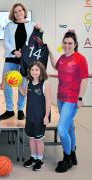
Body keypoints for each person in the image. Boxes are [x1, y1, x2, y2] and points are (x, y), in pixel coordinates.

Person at [49, 30, 88, 173]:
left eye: (70, 43)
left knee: (62, 129)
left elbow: (84, 79)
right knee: (70, 127)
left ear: (75, 44)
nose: (67, 45)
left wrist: (80, 98)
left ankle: (67, 159)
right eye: (65, 43)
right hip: (61, 98)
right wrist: (50, 52)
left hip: (72, 99)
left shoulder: (80, 59)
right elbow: (55, 66)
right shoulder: (62, 58)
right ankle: (73, 153)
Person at [1, 3, 42, 120]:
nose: (18, 13)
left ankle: (20, 109)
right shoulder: (9, 26)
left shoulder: (32, 25)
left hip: (26, 59)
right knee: (7, 82)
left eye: (20, 11)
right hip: (11, 57)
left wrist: (40, 29)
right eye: (15, 12)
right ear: (13, 14)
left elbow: (38, 40)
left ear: (24, 11)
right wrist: (14, 51)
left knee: (23, 83)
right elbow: (6, 42)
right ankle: (9, 109)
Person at [19, 61, 51, 171]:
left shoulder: (45, 84)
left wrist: (46, 116)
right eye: (32, 70)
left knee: (39, 139)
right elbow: (24, 94)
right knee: (31, 138)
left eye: (37, 70)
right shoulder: (29, 82)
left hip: (40, 116)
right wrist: (17, 84)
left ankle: (40, 160)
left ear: (41, 71)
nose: (34, 72)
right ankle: (33, 157)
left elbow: (48, 102)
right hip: (30, 115)